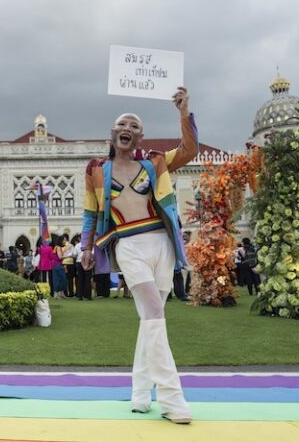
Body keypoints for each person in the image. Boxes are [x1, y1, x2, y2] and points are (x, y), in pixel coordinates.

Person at [80, 87, 196, 424]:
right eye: (121, 124)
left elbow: (190, 150)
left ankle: (140, 394)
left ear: (139, 135)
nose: (127, 127)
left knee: (150, 320)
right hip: (128, 245)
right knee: (156, 312)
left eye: (133, 124)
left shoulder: (155, 162)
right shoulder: (95, 171)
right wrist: (86, 247)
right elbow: (90, 214)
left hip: (162, 243)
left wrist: (183, 112)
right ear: (114, 133)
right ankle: (173, 400)